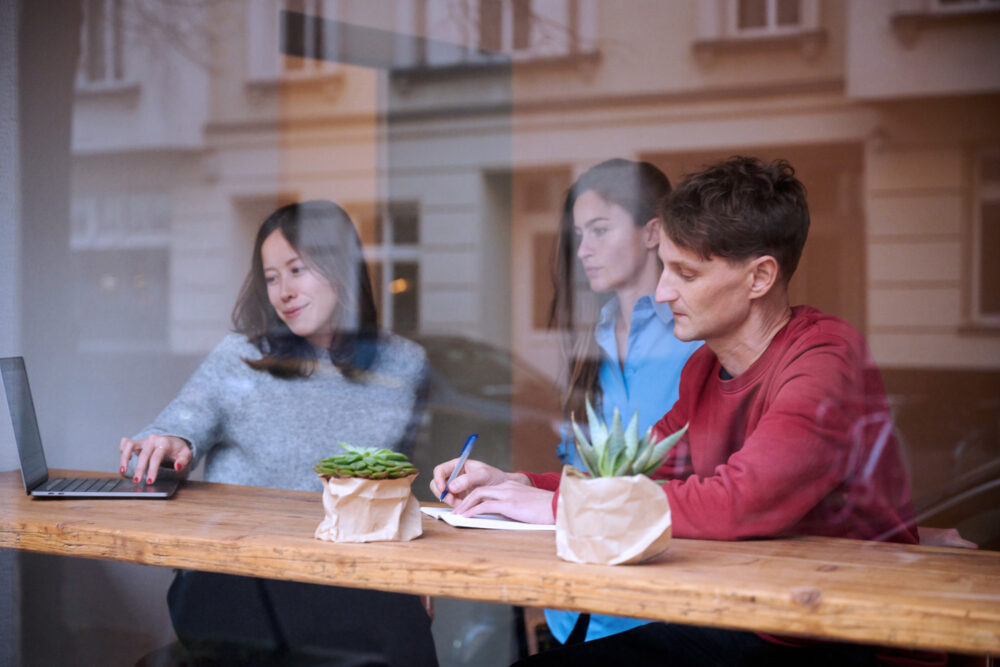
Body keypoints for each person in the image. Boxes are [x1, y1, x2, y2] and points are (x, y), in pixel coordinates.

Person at [432, 157, 943, 666]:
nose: (661, 291)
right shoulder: (702, 369)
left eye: (685, 273)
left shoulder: (826, 359)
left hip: (847, 638)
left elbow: (741, 499)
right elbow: (631, 477)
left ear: (760, 276)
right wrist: (518, 483)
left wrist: (550, 507)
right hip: (748, 623)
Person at [119, 200, 438, 666]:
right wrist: (168, 444)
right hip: (234, 579)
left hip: (349, 577)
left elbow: (397, 488)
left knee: (400, 631)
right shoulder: (241, 356)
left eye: (297, 269)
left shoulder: (405, 364)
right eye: (271, 277)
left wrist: (418, 572)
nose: (283, 291)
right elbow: (179, 424)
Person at [544, 158, 701, 643]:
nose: (584, 250)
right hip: (578, 607)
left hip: (669, 605)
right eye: (578, 235)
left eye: (600, 230)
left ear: (652, 232)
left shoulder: (698, 336)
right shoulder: (592, 338)